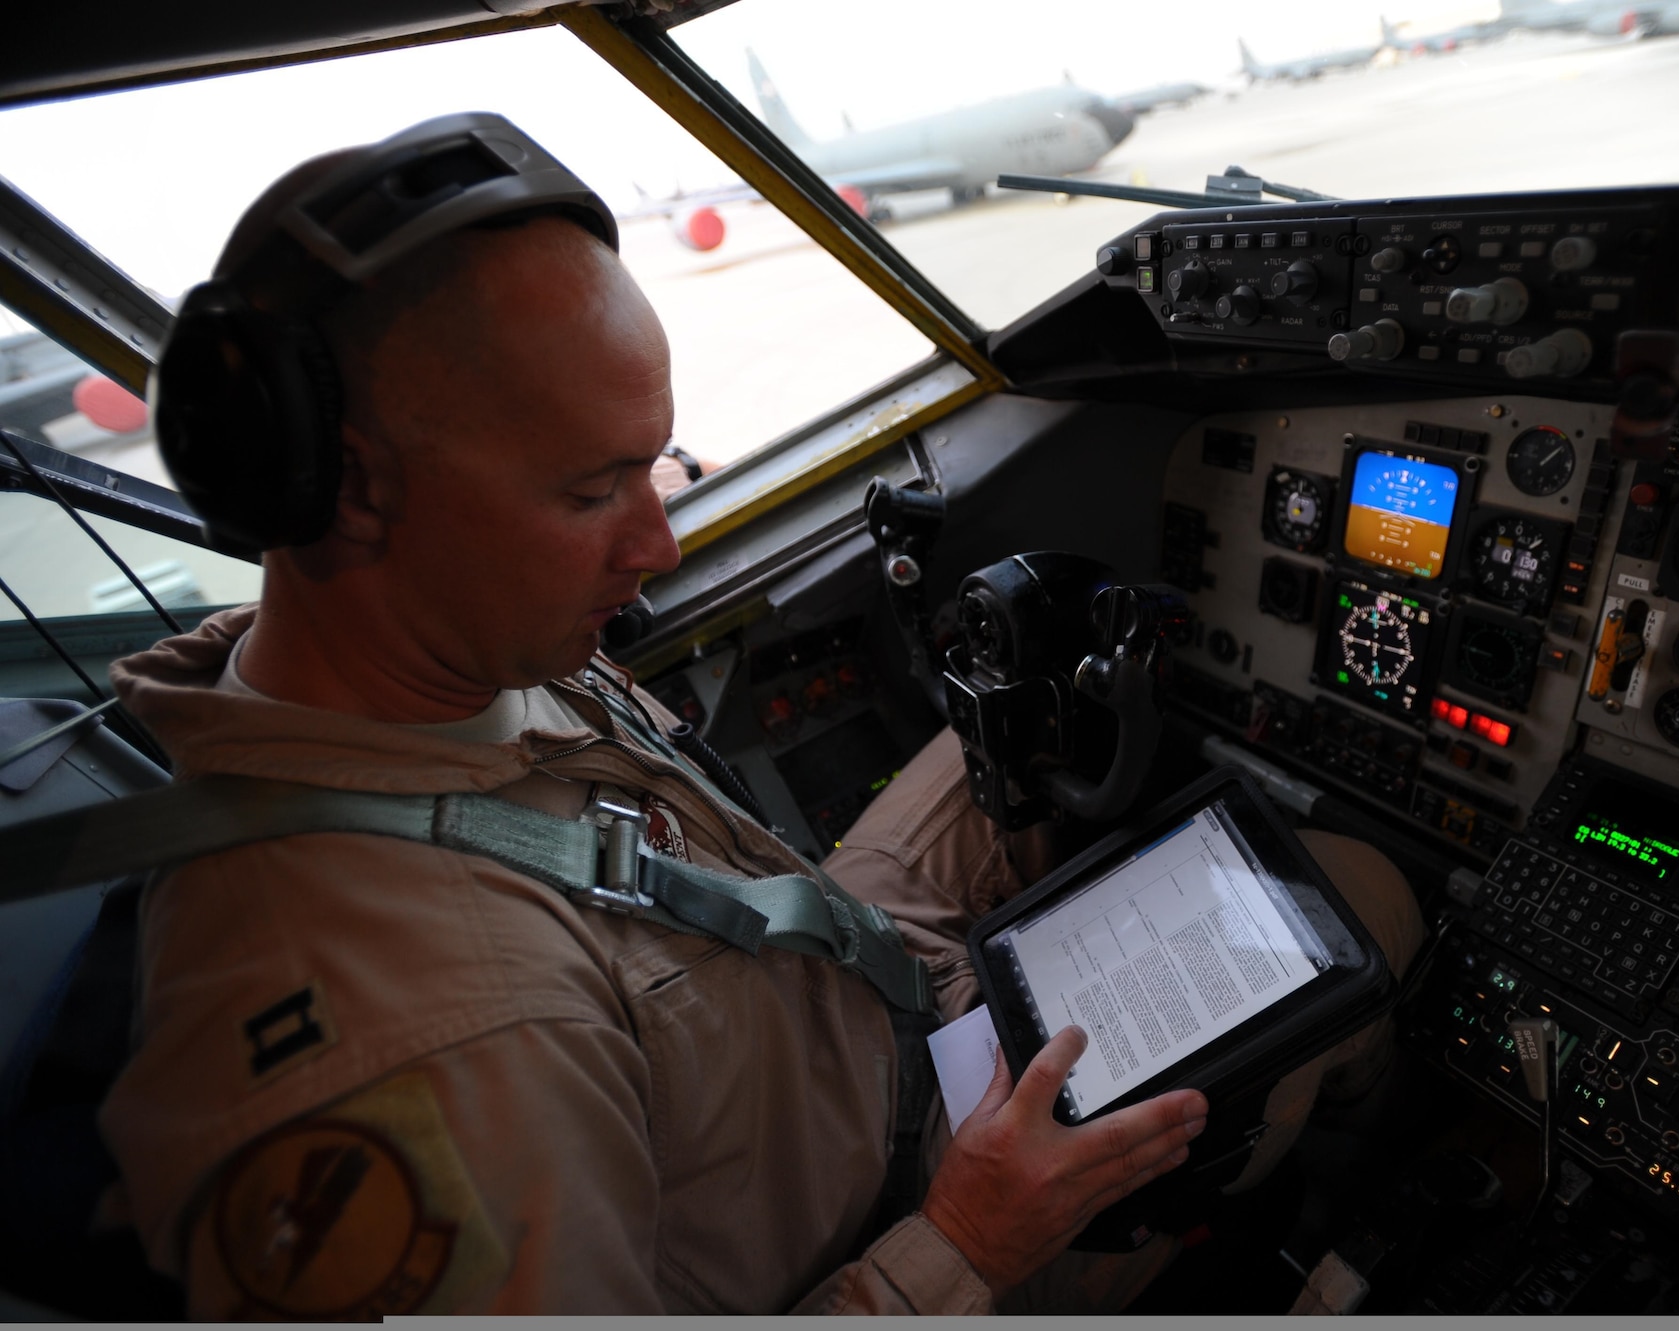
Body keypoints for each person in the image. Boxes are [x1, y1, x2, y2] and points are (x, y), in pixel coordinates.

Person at [99, 116, 1423, 1316]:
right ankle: (1333, 1210)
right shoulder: (448, 1049)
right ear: (347, 494)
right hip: (910, 1208)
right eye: (590, 492)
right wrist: (966, 1242)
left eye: (653, 465)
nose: (658, 542)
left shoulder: (421, 651)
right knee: (1354, 900)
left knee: (1063, 732)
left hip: (825, 978)